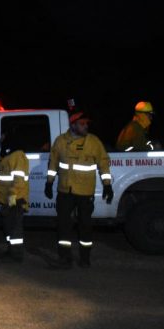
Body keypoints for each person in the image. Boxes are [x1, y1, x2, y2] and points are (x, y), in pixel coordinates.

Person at [45, 110, 113, 268]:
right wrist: (49, 182)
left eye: (87, 124)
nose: (86, 126)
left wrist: (107, 185)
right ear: (73, 125)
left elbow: (103, 163)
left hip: (85, 192)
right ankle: (64, 259)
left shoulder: (93, 142)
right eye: (82, 124)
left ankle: (85, 259)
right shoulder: (60, 141)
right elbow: (53, 163)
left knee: (85, 226)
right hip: (65, 191)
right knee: (63, 226)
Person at [0, 129, 29, 263]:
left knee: (15, 228)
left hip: (15, 198)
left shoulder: (18, 155)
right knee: (8, 226)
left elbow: (19, 178)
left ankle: (17, 254)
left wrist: (12, 194)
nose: (0, 138)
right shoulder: (8, 156)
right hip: (6, 198)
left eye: (2, 135)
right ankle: (11, 250)